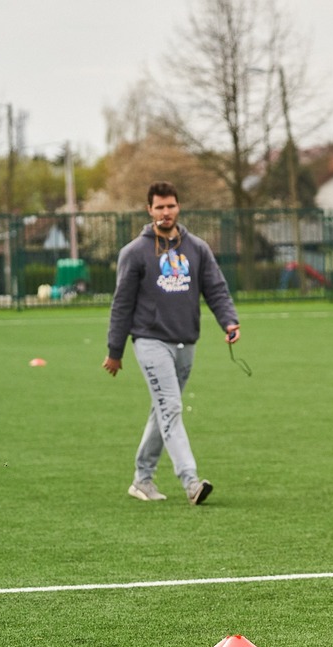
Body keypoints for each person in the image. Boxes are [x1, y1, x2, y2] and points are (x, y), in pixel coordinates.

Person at [103, 181, 241, 505]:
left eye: (171, 206)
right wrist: (115, 351)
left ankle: (142, 478)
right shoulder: (134, 253)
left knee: (162, 410)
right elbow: (121, 304)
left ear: (179, 208)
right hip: (150, 342)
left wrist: (229, 320)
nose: (166, 212)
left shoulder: (197, 249)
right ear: (149, 210)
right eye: (160, 207)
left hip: (186, 341)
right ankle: (191, 482)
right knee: (173, 407)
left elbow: (216, 289)